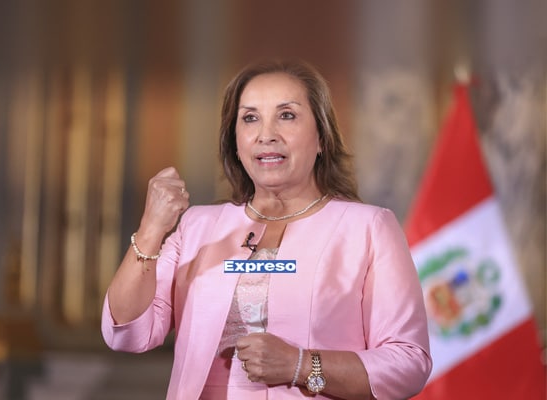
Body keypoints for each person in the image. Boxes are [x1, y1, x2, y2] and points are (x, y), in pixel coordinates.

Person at [101, 59, 432, 399]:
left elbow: (408, 363)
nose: (266, 134)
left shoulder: (368, 228)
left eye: (287, 115)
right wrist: (151, 229)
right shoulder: (198, 227)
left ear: (322, 137)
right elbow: (127, 333)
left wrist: (301, 365)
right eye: (250, 118)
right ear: (235, 141)